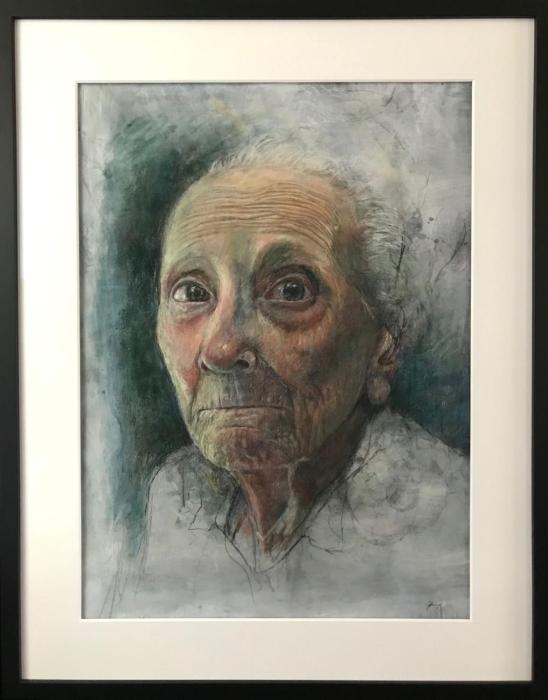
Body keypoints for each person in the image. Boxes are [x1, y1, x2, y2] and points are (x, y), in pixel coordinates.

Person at [110, 146, 469, 618]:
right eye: (193, 293)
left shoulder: (455, 522)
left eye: (291, 291)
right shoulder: (175, 498)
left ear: (383, 348)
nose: (221, 349)